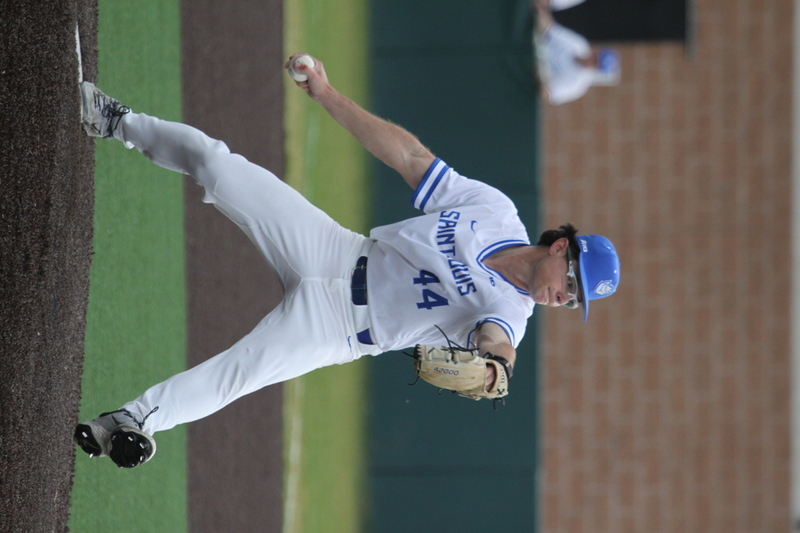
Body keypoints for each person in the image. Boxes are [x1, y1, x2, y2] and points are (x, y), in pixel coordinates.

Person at [74, 54, 621, 468]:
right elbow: (410, 158)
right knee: (219, 166)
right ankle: (113, 120)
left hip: (339, 327)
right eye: (572, 283)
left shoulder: (511, 314)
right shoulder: (494, 212)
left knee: (240, 372)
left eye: (575, 300)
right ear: (560, 248)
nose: (565, 298)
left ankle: (129, 421)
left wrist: (497, 370)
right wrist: (328, 95)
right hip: (336, 248)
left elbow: (496, 344)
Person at [533, 0, 621, 105]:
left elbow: (547, 95)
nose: (592, 60)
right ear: (596, 51)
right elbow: (550, 28)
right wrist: (540, 11)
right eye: (596, 57)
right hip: (530, 46)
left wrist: (540, 77)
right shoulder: (579, 45)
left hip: (529, 73)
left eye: (596, 63)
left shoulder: (578, 84)